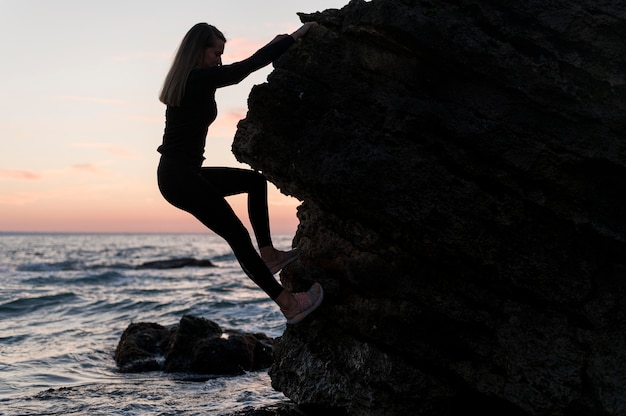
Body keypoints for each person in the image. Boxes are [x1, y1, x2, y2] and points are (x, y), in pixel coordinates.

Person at [157, 22, 323, 324]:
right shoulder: (197, 80)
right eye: (215, 53)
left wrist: (276, 43)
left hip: (181, 174)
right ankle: (289, 304)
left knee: (254, 182)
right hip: (179, 176)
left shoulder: (192, 79)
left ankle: (270, 254)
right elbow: (244, 69)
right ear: (198, 50)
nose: (219, 59)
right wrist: (292, 39)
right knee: (237, 235)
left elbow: (241, 66)